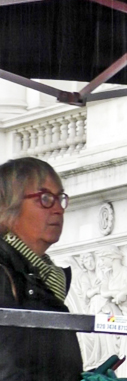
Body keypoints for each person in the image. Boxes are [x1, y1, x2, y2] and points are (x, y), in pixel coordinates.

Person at [0, 157, 83, 380]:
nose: (58, 209)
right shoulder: (5, 273)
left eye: (60, 198)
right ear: (9, 206)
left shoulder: (43, 278)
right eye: (45, 199)